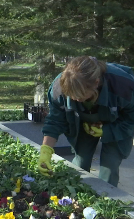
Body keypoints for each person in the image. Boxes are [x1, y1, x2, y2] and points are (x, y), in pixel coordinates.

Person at [38, 56, 134, 187]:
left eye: (80, 95)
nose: (75, 99)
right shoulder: (58, 88)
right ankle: (77, 194)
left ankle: (105, 200)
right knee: (81, 160)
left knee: (109, 165)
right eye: (71, 95)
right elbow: (55, 120)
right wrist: (46, 150)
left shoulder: (124, 86)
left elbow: (131, 120)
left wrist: (106, 131)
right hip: (82, 123)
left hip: (118, 123)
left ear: (96, 83)